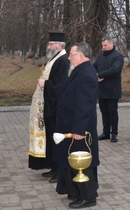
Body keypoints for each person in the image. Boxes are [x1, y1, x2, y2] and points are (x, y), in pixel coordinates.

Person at [53, 42, 100, 209]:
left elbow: (84, 105)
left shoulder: (86, 74)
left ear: (81, 56)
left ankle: (88, 197)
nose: (69, 58)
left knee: (81, 161)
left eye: (71, 55)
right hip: (70, 124)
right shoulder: (79, 71)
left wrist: (79, 130)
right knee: (72, 160)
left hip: (80, 128)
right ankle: (75, 191)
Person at [28, 31, 70, 184]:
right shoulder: (55, 58)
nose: (48, 46)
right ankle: (53, 168)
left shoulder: (63, 60)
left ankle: (59, 171)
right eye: (49, 44)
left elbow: (61, 84)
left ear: (59, 45)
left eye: (51, 44)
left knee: (56, 139)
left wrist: (45, 83)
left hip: (55, 107)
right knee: (51, 139)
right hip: (49, 105)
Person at [93, 36, 124, 143]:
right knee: (104, 112)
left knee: (112, 112)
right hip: (101, 89)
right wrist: (93, 74)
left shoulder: (118, 56)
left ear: (111, 44)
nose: (103, 47)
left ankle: (114, 133)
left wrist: (100, 75)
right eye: (102, 45)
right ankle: (106, 132)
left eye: (105, 45)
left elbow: (115, 69)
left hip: (112, 89)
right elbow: (94, 66)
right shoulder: (101, 56)